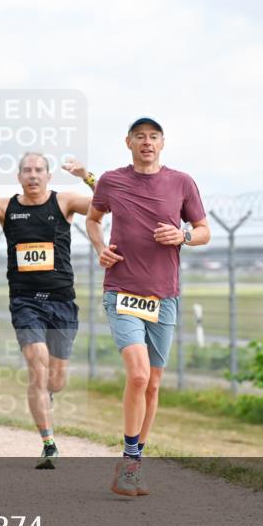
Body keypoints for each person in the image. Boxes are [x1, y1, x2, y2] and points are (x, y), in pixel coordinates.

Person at [85, 117, 210, 497]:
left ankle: (133, 465)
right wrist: (100, 248)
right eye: (140, 136)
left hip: (164, 296)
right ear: (128, 142)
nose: (147, 142)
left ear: (163, 143)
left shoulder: (182, 182)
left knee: (153, 385)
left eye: (153, 136)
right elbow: (94, 219)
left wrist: (182, 234)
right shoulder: (111, 180)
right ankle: (128, 457)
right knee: (138, 376)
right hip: (122, 291)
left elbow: (203, 231)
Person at [0, 143, 96, 469]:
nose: (33, 175)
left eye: (38, 170)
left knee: (56, 379)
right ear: (19, 176)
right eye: (27, 170)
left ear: (47, 175)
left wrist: (85, 176)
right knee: (38, 362)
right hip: (25, 301)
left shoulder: (64, 201)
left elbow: (109, 204)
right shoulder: (6, 207)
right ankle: (48, 443)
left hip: (62, 301)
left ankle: (48, 396)